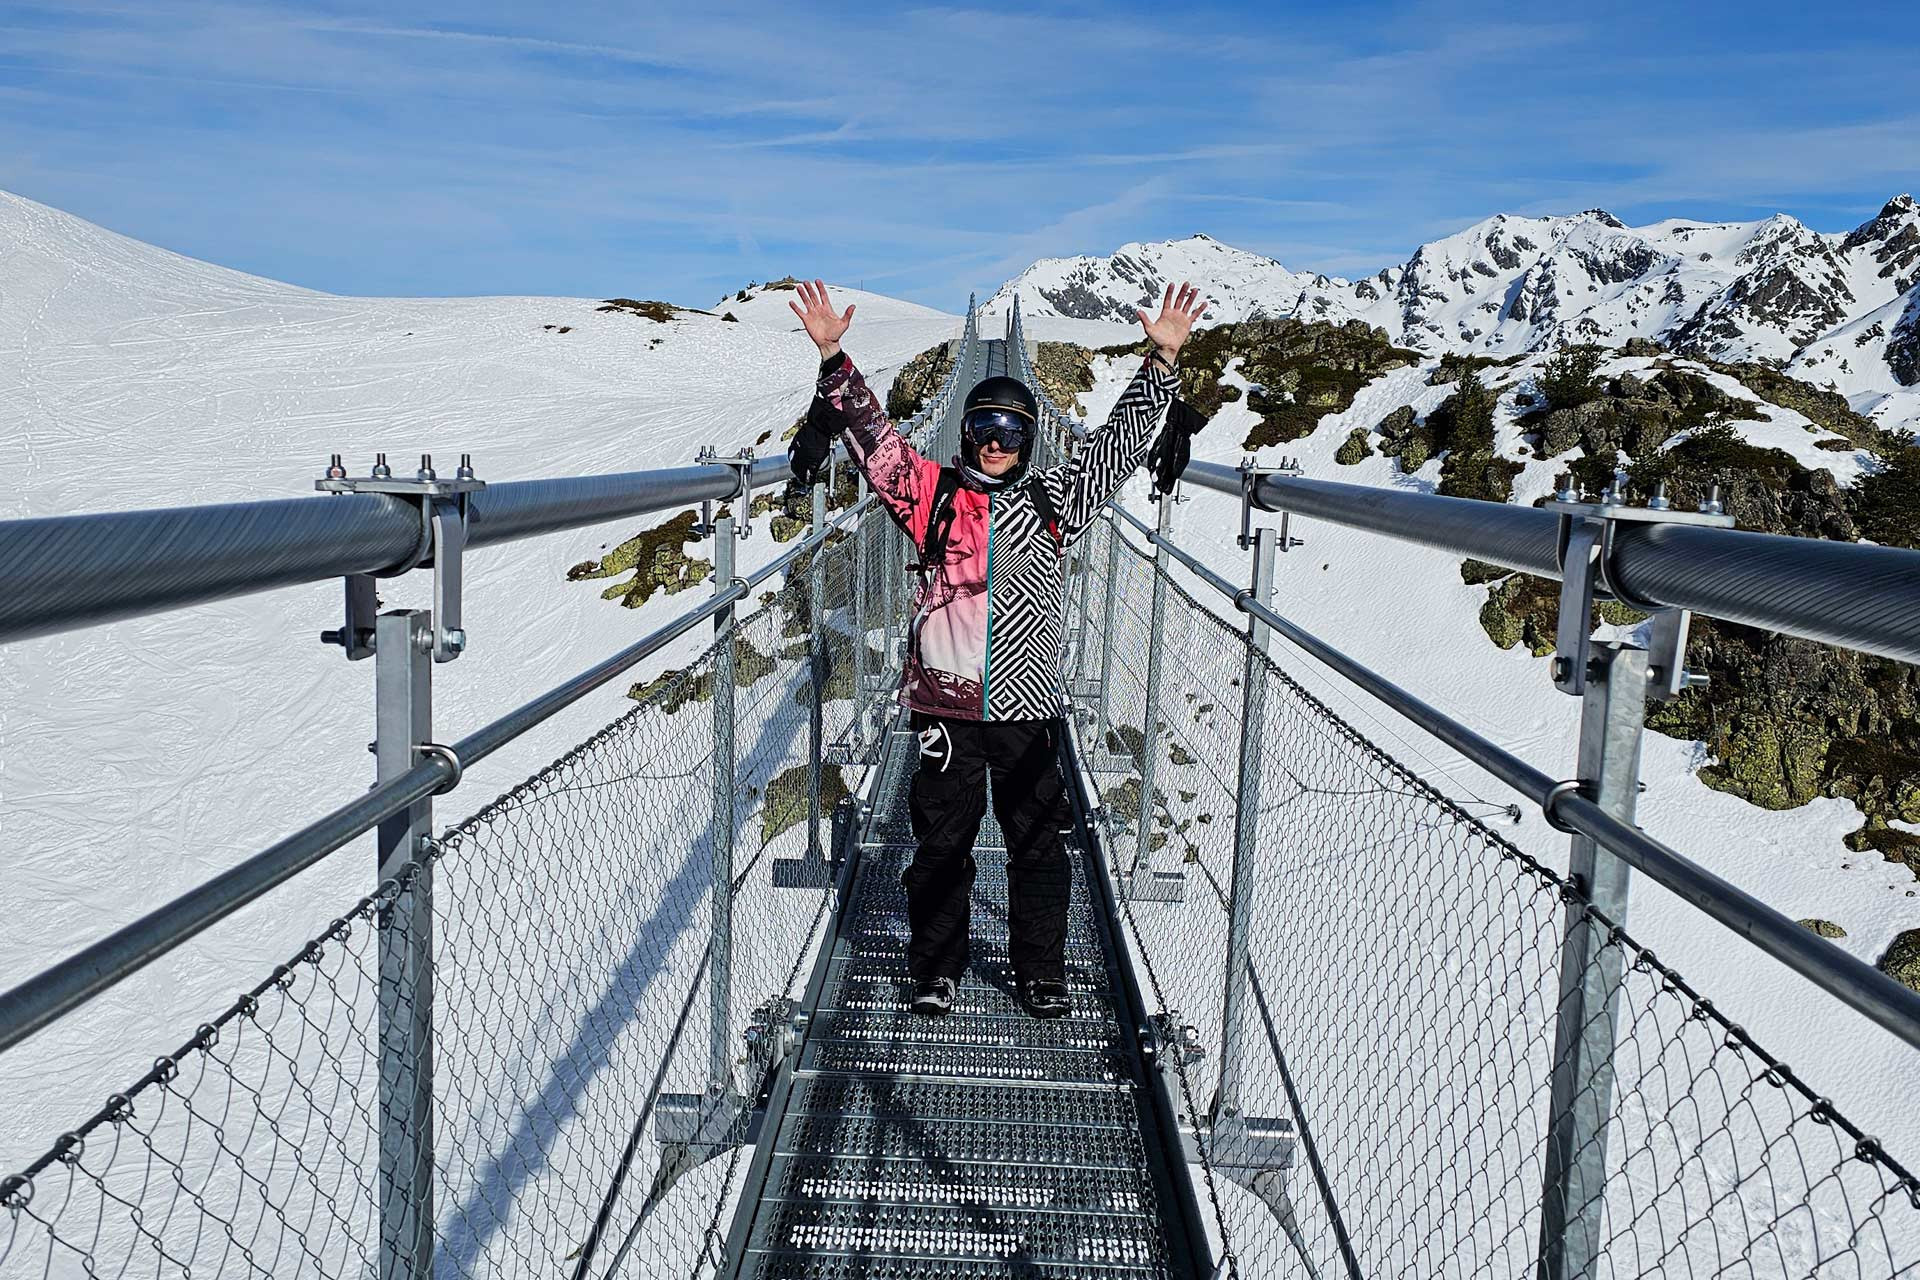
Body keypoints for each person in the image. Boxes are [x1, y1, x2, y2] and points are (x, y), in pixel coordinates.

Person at [785, 278, 1207, 1018]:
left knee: (1038, 844)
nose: (994, 442)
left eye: (1011, 430)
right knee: (941, 846)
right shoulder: (931, 493)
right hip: (944, 708)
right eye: (983, 425)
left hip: (1029, 707)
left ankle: (1041, 971)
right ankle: (936, 970)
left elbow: (1116, 448)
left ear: (1029, 438)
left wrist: (1162, 364)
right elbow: (876, 443)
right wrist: (833, 359)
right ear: (965, 429)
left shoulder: (1056, 499)